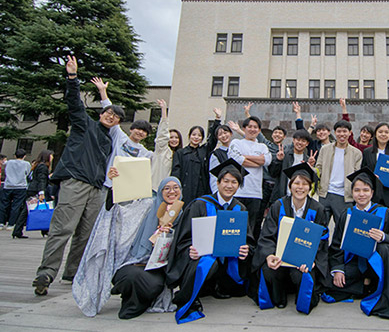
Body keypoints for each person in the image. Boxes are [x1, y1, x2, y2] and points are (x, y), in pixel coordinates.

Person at [33, 56, 123, 296]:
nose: (111, 116)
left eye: (116, 116)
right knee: (63, 228)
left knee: (85, 234)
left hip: (96, 188)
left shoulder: (109, 138)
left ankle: (73, 272)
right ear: (103, 113)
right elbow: (74, 104)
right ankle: (46, 272)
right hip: (75, 182)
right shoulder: (84, 124)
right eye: (109, 113)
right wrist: (72, 78)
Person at [323, 168, 389, 319]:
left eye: (365, 190)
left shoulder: (386, 213)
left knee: (385, 249)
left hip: (378, 265)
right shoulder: (347, 214)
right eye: (357, 190)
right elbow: (336, 245)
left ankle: (369, 284)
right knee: (327, 282)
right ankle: (366, 284)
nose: (361, 194)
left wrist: (384, 237)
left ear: (372, 192)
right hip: (355, 263)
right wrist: (338, 269)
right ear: (352, 192)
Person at [79, 176, 184, 319]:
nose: (172, 191)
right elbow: (120, 210)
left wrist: (170, 234)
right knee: (133, 276)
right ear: (160, 191)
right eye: (167, 188)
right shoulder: (147, 207)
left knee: (155, 284)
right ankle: (130, 302)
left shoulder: (183, 215)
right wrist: (115, 184)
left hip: (161, 267)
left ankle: (143, 300)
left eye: (175, 188)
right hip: (136, 260)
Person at [167, 159, 253, 323]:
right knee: (207, 261)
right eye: (226, 181)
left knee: (239, 261)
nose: (229, 186)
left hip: (228, 261)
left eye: (234, 182)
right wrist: (190, 249)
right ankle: (191, 296)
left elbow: (247, 239)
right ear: (218, 182)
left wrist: (246, 249)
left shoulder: (240, 209)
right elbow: (184, 237)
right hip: (203, 257)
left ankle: (220, 286)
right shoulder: (200, 204)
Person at [252, 163, 329, 314]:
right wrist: (269, 255)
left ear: (310, 187)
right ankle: (279, 298)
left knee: (302, 274)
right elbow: (267, 234)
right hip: (279, 257)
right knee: (269, 270)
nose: (300, 188)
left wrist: (311, 260)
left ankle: (301, 298)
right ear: (290, 185)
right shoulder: (278, 206)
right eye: (297, 183)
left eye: (305, 184)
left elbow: (322, 239)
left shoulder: (318, 209)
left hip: (302, 260)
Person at [229, 116, 272, 239]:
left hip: (255, 194)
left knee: (252, 228)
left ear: (259, 131)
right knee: (235, 228)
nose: (252, 129)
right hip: (238, 192)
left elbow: (267, 160)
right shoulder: (236, 143)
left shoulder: (262, 147)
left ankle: (248, 255)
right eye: (250, 127)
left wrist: (245, 157)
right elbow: (235, 159)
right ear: (244, 128)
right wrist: (258, 162)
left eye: (255, 127)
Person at [171, 109, 221, 205]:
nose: (196, 137)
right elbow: (175, 171)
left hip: (201, 188)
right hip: (185, 188)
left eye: (199, 135)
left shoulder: (204, 150)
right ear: (189, 136)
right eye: (194, 135)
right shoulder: (180, 152)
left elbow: (212, 139)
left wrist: (217, 120)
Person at [316, 120, 363, 223]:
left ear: (350, 133)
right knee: (320, 227)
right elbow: (318, 168)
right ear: (334, 132)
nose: (342, 134)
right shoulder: (325, 149)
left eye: (345, 131)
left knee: (342, 228)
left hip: (345, 196)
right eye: (339, 131)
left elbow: (356, 175)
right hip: (325, 194)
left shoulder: (356, 153)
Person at [362, 123, 389, 221]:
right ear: (375, 134)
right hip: (374, 197)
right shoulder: (367, 152)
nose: (383, 134)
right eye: (380, 132)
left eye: (386, 132)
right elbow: (364, 172)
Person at [12, 150, 53, 239]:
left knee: (28, 210)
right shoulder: (43, 167)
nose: (52, 157)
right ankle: (44, 229)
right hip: (37, 190)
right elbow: (42, 180)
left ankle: (18, 230)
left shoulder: (37, 165)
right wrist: (41, 192)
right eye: (51, 156)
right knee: (40, 209)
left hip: (32, 189)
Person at [269, 129, 316, 203]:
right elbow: (273, 173)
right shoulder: (284, 155)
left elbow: (312, 182)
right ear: (293, 140)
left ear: (307, 144)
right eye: (298, 140)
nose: (300, 143)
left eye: (303, 141)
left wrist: (310, 167)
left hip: (299, 198)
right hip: (281, 197)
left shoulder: (307, 160)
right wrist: (278, 160)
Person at [0, 149, 31, 232]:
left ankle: (1, 222)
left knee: (4, 204)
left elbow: (3, 163)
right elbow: (27, 173)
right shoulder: (26, 164)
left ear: (15, 155)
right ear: (24, 156)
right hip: (20, 186)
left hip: (8, 185)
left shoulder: (9, 162)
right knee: (16, 205)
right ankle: (11, 224)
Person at [208, 124, 234, 194]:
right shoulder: (216, 154)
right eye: (220, 134)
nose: (223, 136)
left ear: (231, 133)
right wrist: (216, 192)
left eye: (225, 133)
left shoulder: (239, 149)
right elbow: (213, 175)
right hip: (225, 190)